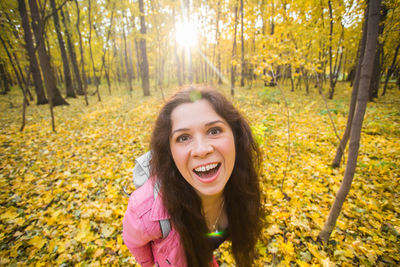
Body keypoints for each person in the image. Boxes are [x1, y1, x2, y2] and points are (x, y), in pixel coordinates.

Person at [123, 87, 262, 267]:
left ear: (236, 136)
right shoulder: (145, 210)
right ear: (170, 151)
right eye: (183, 137)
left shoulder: (241, 185)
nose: (201, 150)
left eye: (214, 131)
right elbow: (134, 242)